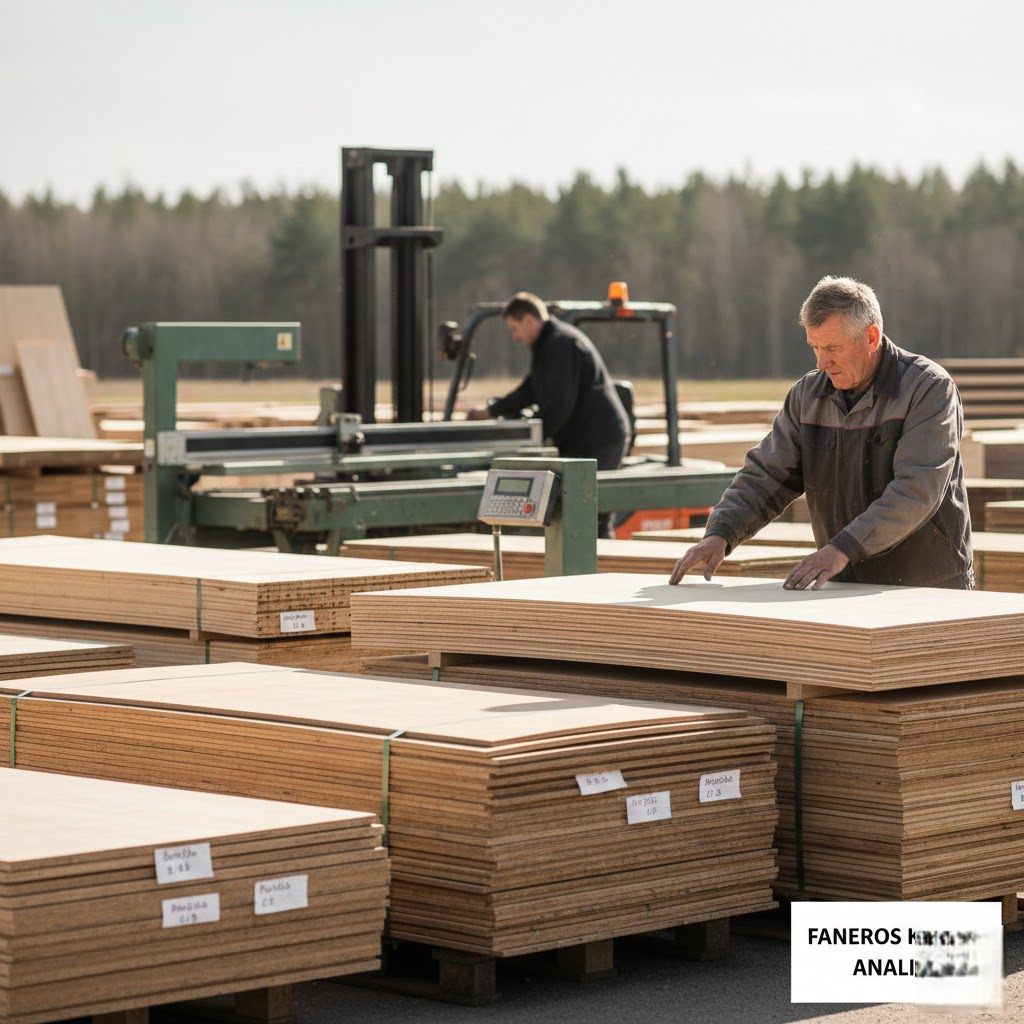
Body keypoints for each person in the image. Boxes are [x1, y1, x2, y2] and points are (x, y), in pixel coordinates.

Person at [668, 275, 974, 591]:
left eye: (832, 348)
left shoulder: (928, 389)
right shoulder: (807, 397)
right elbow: (766, 476)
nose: (821, 362)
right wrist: (721, 533)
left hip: (929, 583)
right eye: (814, 346)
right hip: (844, 581)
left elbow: (917, 490)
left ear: (871, 337)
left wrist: (842, 548)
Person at [467, 291, 631, 537]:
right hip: (581, 439)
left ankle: (599, 568)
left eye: (515, 328)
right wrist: (490, 411)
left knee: (591, 513)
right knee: (576, 513)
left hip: (598, 441)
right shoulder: (547, 346)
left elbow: (560, 406)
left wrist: (531, 437)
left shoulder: (560, 344)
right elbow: (531, 389)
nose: (515, 337)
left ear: (529, 321)